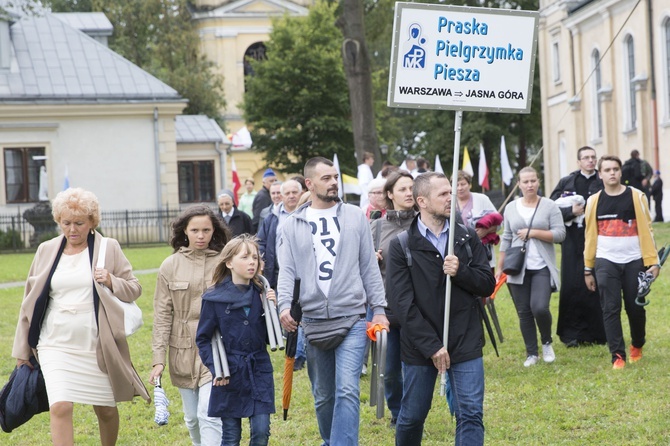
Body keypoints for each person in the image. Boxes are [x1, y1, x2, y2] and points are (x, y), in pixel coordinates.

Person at [12, 187, 149, 446]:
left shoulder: (108, 248)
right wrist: (23, 351)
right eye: (66, 223)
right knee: (60, 406)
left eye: (79, 223)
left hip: (95, 344)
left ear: (92, 222)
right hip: (55, 341)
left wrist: (111, 280)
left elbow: (134, 288)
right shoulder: (46, 250)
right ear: (58, 221)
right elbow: (29, 302)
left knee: (105, 410)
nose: (72, 229)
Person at [277, 156, 389, 445]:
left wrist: (378, 309)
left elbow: (369, 266)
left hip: (352, 316)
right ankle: (331, 441)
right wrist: (284, 305)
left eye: (335, 177)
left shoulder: (354, 217)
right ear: (309, 183)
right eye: (326, 178)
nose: (333, 182)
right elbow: (287, 270)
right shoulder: (291, 225)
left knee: (348, 390)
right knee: (323, 395)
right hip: (312, 320)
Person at [386, 172, 495, 446]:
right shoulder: (401, 245)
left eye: (451, 192)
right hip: (421, 345)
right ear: (421, 201)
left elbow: (486, 284)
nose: (451, 198)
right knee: (412, 416)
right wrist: (432, 346)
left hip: (465, 339)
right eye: (443, 194)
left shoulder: (466, 237)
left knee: (470, 414)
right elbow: (402, 305)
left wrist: (461, 271)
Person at [150, 205, 231, 446]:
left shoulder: (224, 262)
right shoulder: (169, 266)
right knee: (192, 418)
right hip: (182, 351)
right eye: (195, 230)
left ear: (213, 230)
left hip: (216, 349)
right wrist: (158, 359)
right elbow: (162, 315)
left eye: (206, 230)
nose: (201, 235)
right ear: (184, 231)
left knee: (209, 413)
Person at [196, 235, 275, 446]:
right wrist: (216, 369)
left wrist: (272, 311)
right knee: (231, 436)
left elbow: (271, 338)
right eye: (245, 257)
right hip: (229, 372)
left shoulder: (262, 294)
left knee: (261, 432)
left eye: (255, 258)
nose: (252, 262)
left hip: (258, 369)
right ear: (229, 262)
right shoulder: (213, 299)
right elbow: (203, 339)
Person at [584, 155, 660, 369]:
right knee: (610, 308)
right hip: (606, 260)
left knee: (635, 308)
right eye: (607, 170)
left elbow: (648, 230)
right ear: (600, 174)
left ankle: (637, 344)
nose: (612, 173)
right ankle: (617, 355)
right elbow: (590, 236)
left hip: (634, 260)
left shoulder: (637, 196)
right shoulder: (594, 201)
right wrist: (588, 268)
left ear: (621, 172)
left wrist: (653, 262)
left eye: (615, 169)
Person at [497, 167, 566, 367]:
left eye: (533, 181)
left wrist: (533, 232)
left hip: (542, 266)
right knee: (524, 312)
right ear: (519, 184)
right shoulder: (511, 207)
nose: (530, 185)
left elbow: (560, 234)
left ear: (538, 182)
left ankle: (546, 342)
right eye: (525, 182)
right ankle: (531, 353)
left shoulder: (550, 206)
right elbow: (507, 237)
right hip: (517, 267)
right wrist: (500, 267)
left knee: (539, 307)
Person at [370, 170, 417, 428]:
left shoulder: (423, 224)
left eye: (412, 188)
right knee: (388, 371)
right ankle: (397, 413)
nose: (409, 193)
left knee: (414, 367)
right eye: (402, 189)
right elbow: (361, 268)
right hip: (385, 309)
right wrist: (371, 259)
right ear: (390, 195)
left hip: (417, 308)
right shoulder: (376, 227)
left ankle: (411, 413)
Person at [549, 146, 606, 347]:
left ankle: (598, 334)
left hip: (599, 240)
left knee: (597, 284)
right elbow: (551, 210)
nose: (590, 161)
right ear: (578, 161)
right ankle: (571, 335)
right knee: (573, 284)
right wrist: (570, 212)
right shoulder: (567, 182)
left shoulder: (603, 181)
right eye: (586, 158)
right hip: (572, 242)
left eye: (593, 157)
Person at [454, 170, 500, 268]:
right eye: (456, 185)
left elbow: (499, 224)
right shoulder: (449, 202)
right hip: (459, 255)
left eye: (463, 184)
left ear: (469, 184)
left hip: (482, 252)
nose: (460, 188)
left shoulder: (482, 199)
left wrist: (486, 230)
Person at [252, 168, 277, 232]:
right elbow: (258, 218)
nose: (274, 183)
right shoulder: (263, 196)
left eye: (275, 180)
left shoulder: (267, 194)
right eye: (271, 181)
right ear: (264, 182)